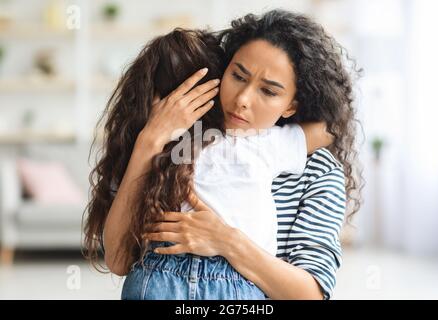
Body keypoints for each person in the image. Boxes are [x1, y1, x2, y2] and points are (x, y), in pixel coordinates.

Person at [84, 9, 362, 300]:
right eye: (238, 76)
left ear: (292, 105)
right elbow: (118, 260)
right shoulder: (171, 142)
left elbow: (311, 296)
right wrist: (149, 141)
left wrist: (225, 240)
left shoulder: (313, 168)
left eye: (268, 92)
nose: (242, 100)